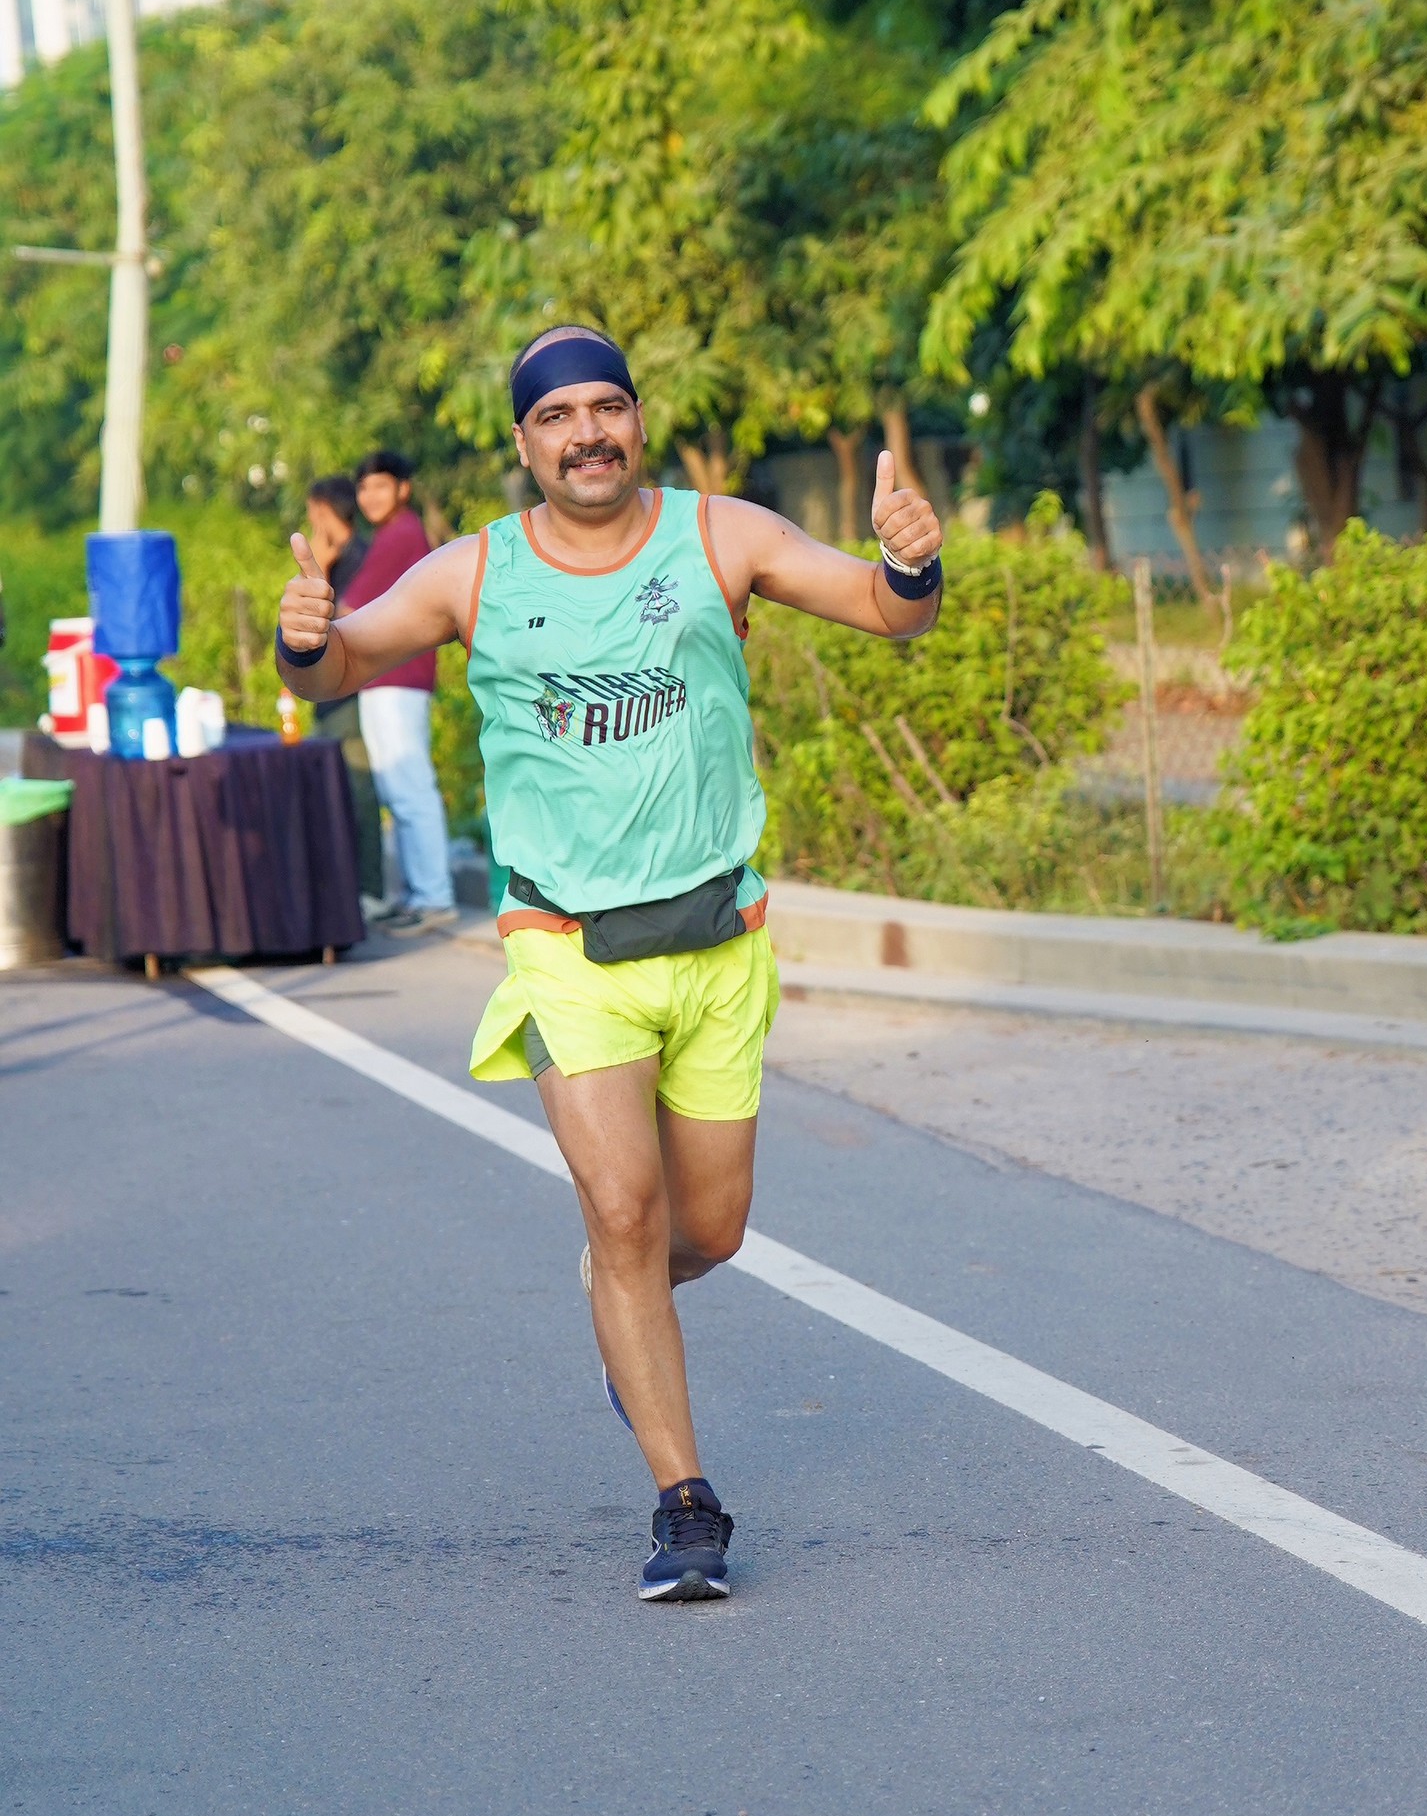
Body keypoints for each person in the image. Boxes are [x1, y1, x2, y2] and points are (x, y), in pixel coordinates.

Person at [275, 326, 943, 1602]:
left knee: (709, 1232)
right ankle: (686, 1505)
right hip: (568, 948)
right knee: (626, 1212)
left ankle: (618, 1298)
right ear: (523, 442)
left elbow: (882, 608)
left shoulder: (721, 536)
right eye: (556, 416)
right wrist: (307, 637)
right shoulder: (477, 572)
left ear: (636, 421)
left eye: (606, 408)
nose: (586, 433)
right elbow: (338, 664)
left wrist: (912, 563)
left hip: (717, 941)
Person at [343, 449, 457, 933]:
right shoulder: (394, 533)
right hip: (389, 679)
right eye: (363, 487)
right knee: (401, 790)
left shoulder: (401, 533)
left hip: (398, 678)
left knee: (409, 788)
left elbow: (349, 607)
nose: (369, 496)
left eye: (380, 485)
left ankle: (434, 898)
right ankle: (421, 896)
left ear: (403, 489)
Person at [302, 475, 385, 911]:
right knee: (329, 791)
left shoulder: (361, 557)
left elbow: (344, 624)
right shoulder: (334, 558)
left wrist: (319, 566)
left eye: (313, 513)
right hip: (328, 696)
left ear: (323, 510)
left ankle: (370, 890)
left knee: (358, 788)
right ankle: (341, 889)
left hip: (354, 693)